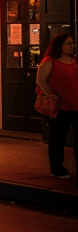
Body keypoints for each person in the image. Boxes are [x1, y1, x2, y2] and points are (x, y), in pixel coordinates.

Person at [36, 33, 78, 180]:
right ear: (59, 46)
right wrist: (53, 97)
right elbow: (41, 81)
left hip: (75, 105)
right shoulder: (50, 61)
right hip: (59, 107)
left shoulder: (74, 61)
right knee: (58, 138)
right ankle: (57, 168)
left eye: (72, 43)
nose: (72, 46)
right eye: (68, 43)